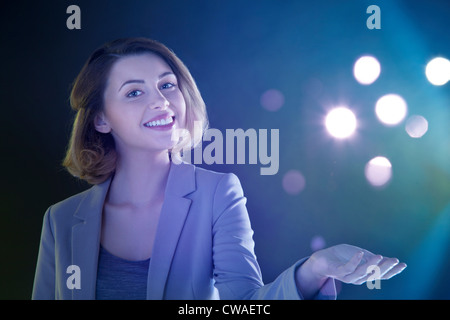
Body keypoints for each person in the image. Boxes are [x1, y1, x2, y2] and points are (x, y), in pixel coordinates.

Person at [32, 37, 406, 300]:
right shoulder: (61, 220)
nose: (162, 101)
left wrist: (313, 269)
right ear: (100, 119)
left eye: (167, 85)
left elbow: (244, 301)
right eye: (134, 92)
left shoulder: (217, 193)